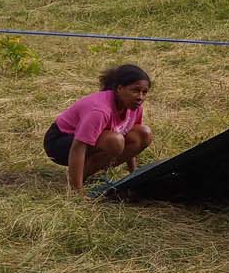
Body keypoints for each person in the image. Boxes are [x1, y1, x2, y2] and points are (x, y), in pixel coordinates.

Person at [44, 64, 153, 193]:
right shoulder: (99, 111)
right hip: (60, 141)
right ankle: (76, 181)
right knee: (115, 141)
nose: (140, 97)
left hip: (90, 142)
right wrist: (77, 192)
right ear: (119, 88)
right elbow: (78, 147)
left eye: (144, 92)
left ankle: (90, 173)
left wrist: (134, 175)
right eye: (135, 90)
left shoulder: (134, 107)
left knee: (143, 134)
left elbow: (130, 139)